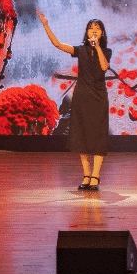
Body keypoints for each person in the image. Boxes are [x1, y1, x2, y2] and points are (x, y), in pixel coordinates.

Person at [38, 12, 112, 191]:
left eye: (97, 29)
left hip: (98, 97)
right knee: (82, 135)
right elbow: (57, 44)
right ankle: (86, 175)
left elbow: (104, 67)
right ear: (86, 32)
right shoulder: (81, 51)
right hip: (82, 96)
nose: (93, 31)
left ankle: (95, 176)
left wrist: (97, 47)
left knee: (98, 136)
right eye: (91, 28)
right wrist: (46, 24)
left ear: (102, 33)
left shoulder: (106, 52)